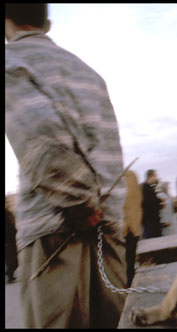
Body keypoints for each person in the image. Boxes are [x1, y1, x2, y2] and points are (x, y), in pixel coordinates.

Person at [5, 4, 127, 328]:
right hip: (109, 229)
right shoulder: (88, 72)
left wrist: (81, 203)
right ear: (46, 20)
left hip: (57, 231)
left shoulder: (10, 62)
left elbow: (40, 141)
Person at [122, 170, 143, 287]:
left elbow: (137, 199)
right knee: (129, 263)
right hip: (130, 226)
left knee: (128, 263)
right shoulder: (131, 175)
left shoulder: (130, 175)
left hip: (127, 227)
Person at [141, 170, 162, 239]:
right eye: (155, 176)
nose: (156, 178)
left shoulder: (148, 188)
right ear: (150, 177)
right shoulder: (145, 188)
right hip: (150, 220)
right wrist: (158, 204)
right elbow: (149, 203)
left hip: (151, 220)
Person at [5, 197, 19, 283]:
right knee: (12, 259)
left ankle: (10, 274)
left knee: (13, 259)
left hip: (13, 239)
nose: (7, 203)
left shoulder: (8, 212)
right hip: (8, 240)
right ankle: (9, 275)